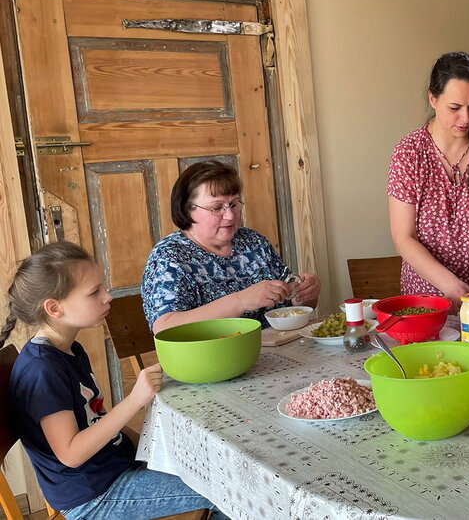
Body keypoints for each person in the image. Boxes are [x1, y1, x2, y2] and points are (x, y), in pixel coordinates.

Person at [2, 241, 229, 519]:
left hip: (115, 471)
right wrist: (134, 400)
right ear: (54, 308)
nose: (107, 297)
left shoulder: (70, 349)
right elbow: (71, 454)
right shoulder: (41, 370)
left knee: (214, 465)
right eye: (94, 292)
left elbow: (97, 419)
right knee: (224, 490)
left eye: (103, 287)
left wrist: (147, 449)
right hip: (94, 498)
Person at [388, 52, 469, 311]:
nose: (465, 119)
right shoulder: (409, 153)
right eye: (454, 108)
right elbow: (404, 238)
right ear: (433, 99)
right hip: (427, 299)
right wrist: (450, 285)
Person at [142, 160, 321, 333]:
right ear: (187, 209)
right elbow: (165, 327)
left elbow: (287, 307)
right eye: (217, 207)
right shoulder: (169, 256)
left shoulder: (253, 242)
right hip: (212, 358)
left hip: (271, 349)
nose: (230, 216)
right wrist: (241, 301)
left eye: (233, 204)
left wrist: (304, 295)